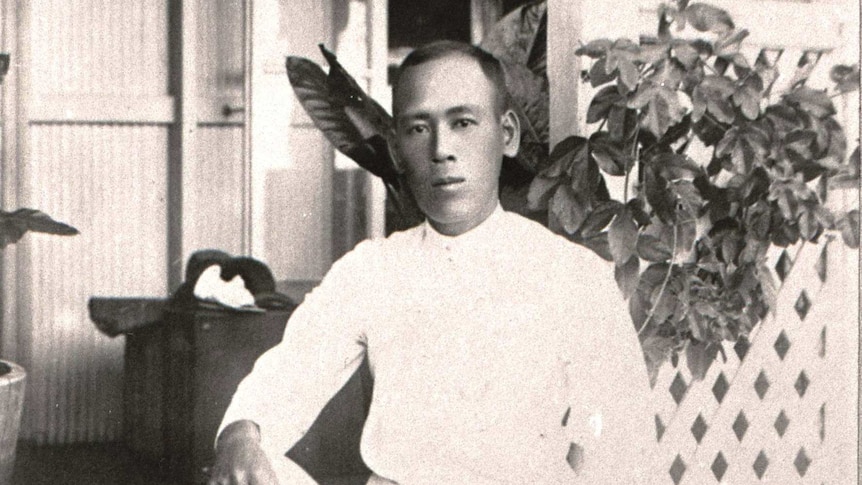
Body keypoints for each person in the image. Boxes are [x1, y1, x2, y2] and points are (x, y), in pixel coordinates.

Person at [208, 40, 658, 485]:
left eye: (463, 122)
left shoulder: (571, 277)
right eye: (419, 129)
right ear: (398, 149)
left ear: (507, 135)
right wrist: (242, 434)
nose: (441, 149)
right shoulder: (374, 270)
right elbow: (292, 373)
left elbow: (620, 448)